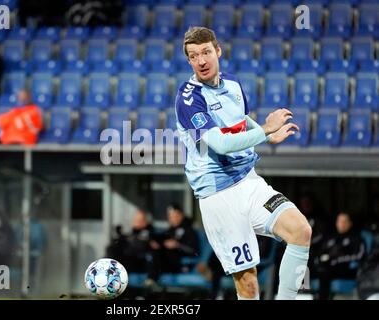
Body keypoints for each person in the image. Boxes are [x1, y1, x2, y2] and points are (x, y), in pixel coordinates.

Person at [175, 26, 312, 300]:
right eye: (193, 56)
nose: (201, 60)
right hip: (218, 194)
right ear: (189, 61)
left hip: (249, 181)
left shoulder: (234, 84)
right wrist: (265, 131)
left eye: (205, 52)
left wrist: (265, 132)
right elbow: (222, 144)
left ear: (218, 51)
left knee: (300, 230)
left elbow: (239, 121)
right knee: (248, 285)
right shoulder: (189, 98)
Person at [145, 204, 200, 287]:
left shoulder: (189, 231)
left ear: (181, 215)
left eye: (175, 215)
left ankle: (151, 280)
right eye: (170, 216)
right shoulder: (170, 231)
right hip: (165, 262)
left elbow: (194, 251)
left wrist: (178, 245)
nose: (172, 219)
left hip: (181, 264)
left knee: (157, 255)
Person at [314, 212, 365, 300]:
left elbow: (359, 256)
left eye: (345, 221)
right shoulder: (331, 238)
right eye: (340, 221)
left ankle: (322, 297)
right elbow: (321, 253)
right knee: (312, 267)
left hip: (347, 268)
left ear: (350, 223)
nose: (342, 224)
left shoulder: (356, 238)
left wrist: (337, 260)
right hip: (328, 267)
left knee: (325, 272)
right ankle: (304, 293)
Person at [106, 209, 159, 275]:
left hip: (138, 260)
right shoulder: (132, 233)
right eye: (136, 220)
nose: (136, 222)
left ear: (145, 222)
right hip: (127, 257)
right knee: (112, 248)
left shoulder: (148, 232)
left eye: (139, 220)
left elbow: (141, 245)